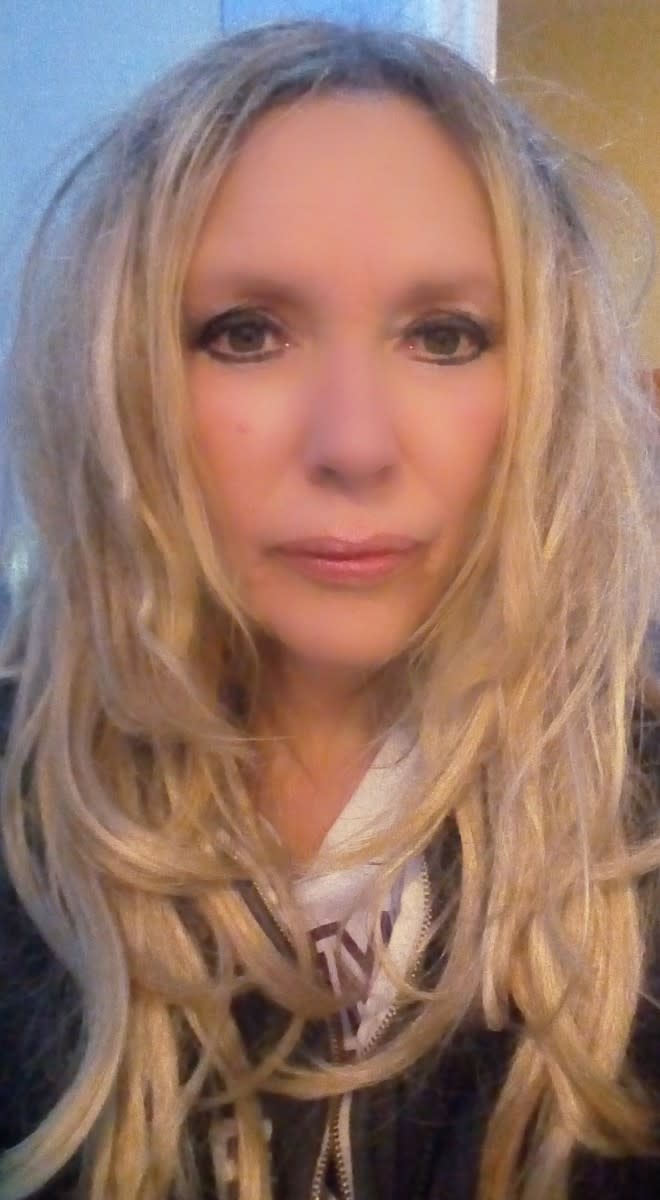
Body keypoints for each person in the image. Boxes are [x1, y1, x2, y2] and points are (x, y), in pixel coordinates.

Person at [1, 17, 659, 1200]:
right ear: (123, 378)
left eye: (444, 336)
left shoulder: (639, 830)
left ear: (542, 387)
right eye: (245, 334)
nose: (353, 445)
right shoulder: (20, 813)